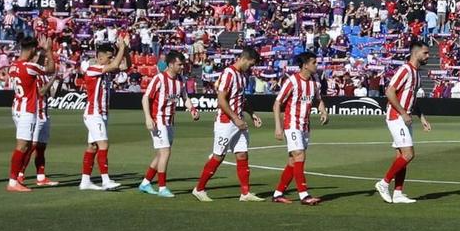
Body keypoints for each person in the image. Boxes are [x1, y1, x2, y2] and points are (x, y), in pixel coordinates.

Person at [193, 46, 262, 202]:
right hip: (226, 122)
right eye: (251, 64)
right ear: (244, 59)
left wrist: (252, 114)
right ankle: (199, 189)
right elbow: (221, 99)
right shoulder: (229, 73)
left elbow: (241, 99)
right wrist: (235, 119)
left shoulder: (243, 75)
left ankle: (245, 193)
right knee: (218, 155)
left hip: (239, 121)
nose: (251, 67)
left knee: (242, 153)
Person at [378, 39, 432, 205]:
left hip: (405, 117)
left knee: (401, 156)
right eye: (425, 53)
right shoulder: (405, 70)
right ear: (415, 53)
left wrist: (421, 118)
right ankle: (383, 183)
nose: (428, 56)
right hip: (396, 116)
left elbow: (412, 100)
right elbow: (389, 92)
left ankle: (398, 192)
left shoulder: (416, 73)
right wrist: (402, 112)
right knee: (409, 154)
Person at [271, 50, 327, 205]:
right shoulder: (292, 81)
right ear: (305, 65)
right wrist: (278, 126)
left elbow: (318, 99)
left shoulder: (315, 81)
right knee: (299, 156)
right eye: (314, 63)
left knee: (292, 161)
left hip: (305, 126)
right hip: (292, 124)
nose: (317, 65)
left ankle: (278, 194)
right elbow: (277, 104)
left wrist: (323, 111)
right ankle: (304, 195)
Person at [7, 36, 56, 191]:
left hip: (17, 107)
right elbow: (51, 69)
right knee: (22, 146)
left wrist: (40, 53)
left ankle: (16, 179)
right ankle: (13, 181)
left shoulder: (13, 66)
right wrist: (48, 50)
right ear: (33, 49)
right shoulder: (29, 67)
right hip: (27, 109)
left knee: (26, 145)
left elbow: (35, 68)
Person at [79, 40, 127, 192]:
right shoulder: (93, 68)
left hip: (101, 114)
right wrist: (121, 49)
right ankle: (106, 180)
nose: (112, 59)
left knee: (92, 147)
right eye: (109, 57)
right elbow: (114, 66)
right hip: (94, 114)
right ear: (100, 57)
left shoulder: (104, 69)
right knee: (103, 145)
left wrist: (125, 51)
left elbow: (126, 66)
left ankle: (85, 181)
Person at [139, 49, 186, 197]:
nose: (182, 67)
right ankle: (162, 188)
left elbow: (185, 97)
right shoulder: (159, 79)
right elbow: (145, 98)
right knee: (165, 152)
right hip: (158, 120)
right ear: (171, 64)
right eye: (180, 64)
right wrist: (148, 117)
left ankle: (145, 183)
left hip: (170, 121)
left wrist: (191, 108)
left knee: (161, 154)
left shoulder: (180, 80)